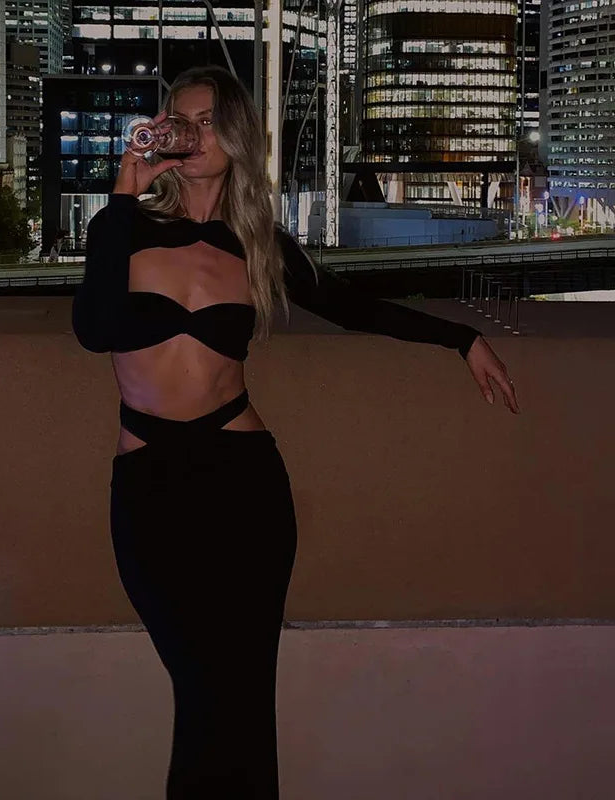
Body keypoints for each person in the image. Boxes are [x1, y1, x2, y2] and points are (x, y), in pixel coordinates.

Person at [71, 65, 519, 799]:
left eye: (208, 121)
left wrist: (461, 338)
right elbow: (94, 331)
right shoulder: (125, 227)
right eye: (179, 121)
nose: (192, 135)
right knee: (204, 690)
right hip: (152, 489)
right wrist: (126, 186)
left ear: (237, 136)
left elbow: (355, 308)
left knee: (242, 695)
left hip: (242, 483)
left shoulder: (259, 246)